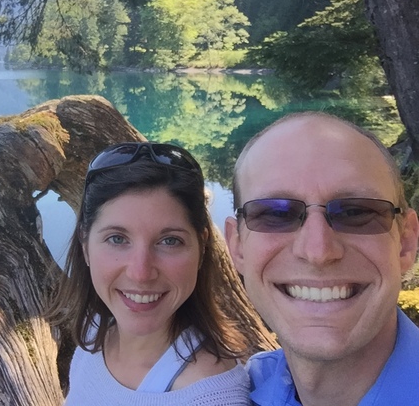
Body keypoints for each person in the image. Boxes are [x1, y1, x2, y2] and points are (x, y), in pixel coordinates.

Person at [224, 111, 419, 406]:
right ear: (237, 247)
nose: (318, 252)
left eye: (356, 212)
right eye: (276, 214)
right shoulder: (239, 389)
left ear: (405, 242)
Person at [48, 142, 251, 405]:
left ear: (201, 247)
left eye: (169, 241)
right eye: (117, 239)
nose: (141, 273)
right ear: (85, 245)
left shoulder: (211, 397)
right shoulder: (96, 330)